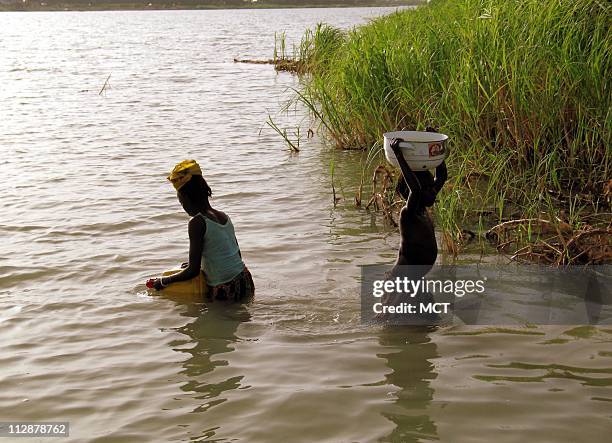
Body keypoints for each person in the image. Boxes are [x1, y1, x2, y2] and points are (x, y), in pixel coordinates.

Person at [148, 160, 254, 302]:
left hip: (224, 288)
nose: (183, 207)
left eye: (181, 202)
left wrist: (163, 281)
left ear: (186, 199)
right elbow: (234, 255)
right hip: (244, 279)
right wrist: (201, 262)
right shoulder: (224, 217)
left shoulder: (197, 222)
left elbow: (193, 272)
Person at [379, 137, 447, 322]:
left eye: (432, 187)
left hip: (416, 279)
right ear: (410, 192)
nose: (433, 191)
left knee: (430, 322)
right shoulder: (408, 213)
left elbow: (441, 177)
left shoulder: (423, 207)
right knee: (393, 324)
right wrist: (399, 156)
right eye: (428, 188)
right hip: (403, 281)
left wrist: (435, 147)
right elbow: (416, 190)